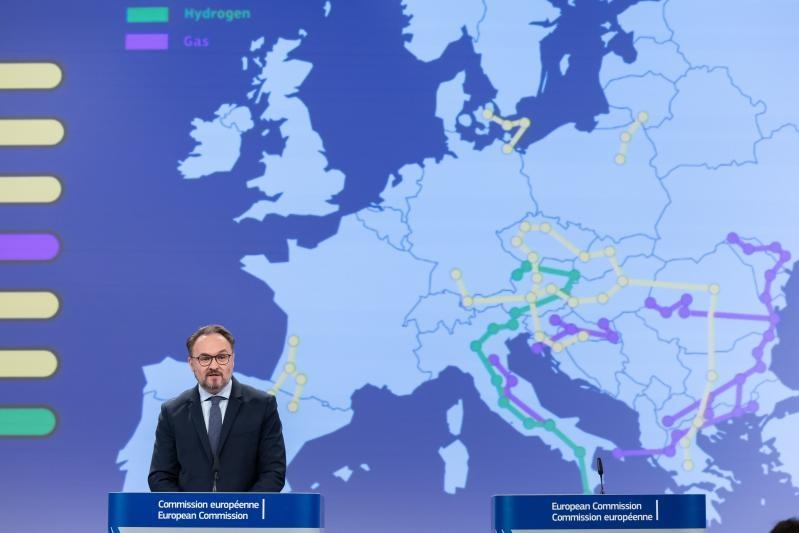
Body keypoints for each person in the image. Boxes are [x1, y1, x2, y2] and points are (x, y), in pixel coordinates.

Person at [148, 324, 286, 492]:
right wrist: (188, 507)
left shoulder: (262, 406)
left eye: (222, 357)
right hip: (189, 509)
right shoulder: (172, 412)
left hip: (245, 508)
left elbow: (273, 473)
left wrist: (243, 507)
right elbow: (160, 476)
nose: (214, 366)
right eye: (205, 358)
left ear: (232, 360)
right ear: (191, 364)